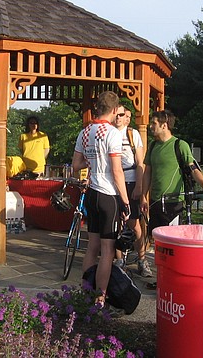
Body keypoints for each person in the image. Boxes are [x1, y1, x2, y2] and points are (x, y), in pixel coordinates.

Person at [72, 91, 130, 308]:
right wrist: (125, 200)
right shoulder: (113, 134)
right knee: (107, 250)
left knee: (91, 247)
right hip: (108, 195)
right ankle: (100, 296)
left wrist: (93, 162)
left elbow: (76, 165)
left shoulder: (85, 131)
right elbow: (117, 171)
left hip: (91, 194)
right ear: (115, 111)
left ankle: (85, 290)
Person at [141, 110, 203, 233]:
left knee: (172, 238)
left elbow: (193, 169)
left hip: (173, 202)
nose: (151, 126)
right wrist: (143, 197)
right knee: (156, 238)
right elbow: (147, 172)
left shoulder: (180, 145)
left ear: (164, 125)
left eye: (154, 123)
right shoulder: (152, 146)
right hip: (156, 201)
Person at [112, 106, 150, 277]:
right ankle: (119, 260)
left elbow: (141, 163)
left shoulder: (132, 134)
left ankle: (142, 260)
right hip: (113, 183)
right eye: (118, 114)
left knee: (134, 224)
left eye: (124, 115)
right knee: (116, 223)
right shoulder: (109, 133)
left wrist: (139, 187)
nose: (120, 118)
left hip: (130, 181)